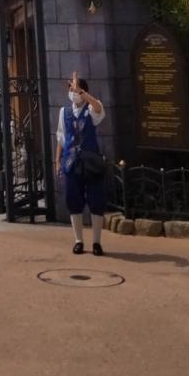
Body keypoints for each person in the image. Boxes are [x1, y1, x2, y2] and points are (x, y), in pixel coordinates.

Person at [55, 71, 107, 256]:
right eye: (70, 89)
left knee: (96, 199)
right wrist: (57, 161)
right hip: (71, 161)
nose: (72, 93)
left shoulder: (91, 108)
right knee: (73, 199)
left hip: (91, 161)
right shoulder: (64, 112)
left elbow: (99, 109)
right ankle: (78, 240)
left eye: (75, 89)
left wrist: (83, 94)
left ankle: (96, 242)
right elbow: (61, 137)